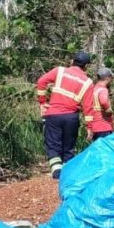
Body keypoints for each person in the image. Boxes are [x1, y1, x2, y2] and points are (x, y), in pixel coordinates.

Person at [35, 51, 94, 179]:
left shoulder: (60, 71)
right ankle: (68, 173)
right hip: (71, 117)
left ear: (72, 62)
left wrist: (42, 102)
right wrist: (89, 127)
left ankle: (57, 173)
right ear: (86, 67)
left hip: (53, 115)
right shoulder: (88, 82)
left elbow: (41, 82)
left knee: (53, 145)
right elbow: (88, 107)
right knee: (69, 147)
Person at [87, 67, 114, 142]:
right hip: (104, 126)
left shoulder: (93, 89)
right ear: (107, 78)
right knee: (105, 151)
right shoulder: (103, 89)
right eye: (111, 78)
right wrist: (108, 109)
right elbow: (103, 101)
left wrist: (89, 127)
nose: (111, 80)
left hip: (95, 127)